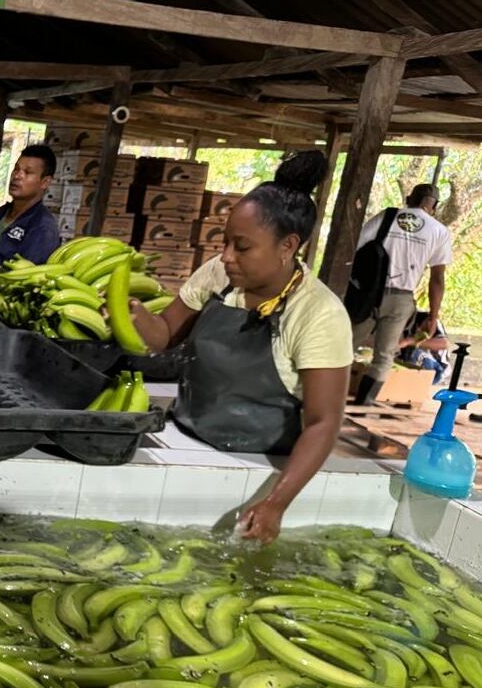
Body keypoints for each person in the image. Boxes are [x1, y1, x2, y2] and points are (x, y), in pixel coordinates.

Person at [129, 152, 353, 543]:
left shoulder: (319, 314)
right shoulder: (217, 276)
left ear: (288, 246)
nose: (226, 256)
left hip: (259, 463)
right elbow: (164, 334)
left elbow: (323, 423)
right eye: (225, 242)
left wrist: (276, 502)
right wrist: (132, 314)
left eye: (242, 247)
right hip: (187, 440)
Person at [352, 183, 453, 405]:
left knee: (345, 345)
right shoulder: (439, 231)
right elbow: (437, 279)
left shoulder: (387, 217)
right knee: (384, 356)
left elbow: (355, 246)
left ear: (408, 199)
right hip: (401, 299)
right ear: (434, 206)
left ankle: (324, 395)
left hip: (368, 294)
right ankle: (363, 403)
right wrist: (433, 316)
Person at [0, 144, 60, 272]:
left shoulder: (43, 227)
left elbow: (28, 277)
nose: (17, 176)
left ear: (45, 182)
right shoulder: (1, 213)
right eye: (16, 169)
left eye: (27, 172)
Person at [398, 310, 451, 385]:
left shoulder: (430, 320)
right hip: (408, 362)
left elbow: (444, 344)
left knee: (416, 353)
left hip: (437, 368)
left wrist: (409, 341)